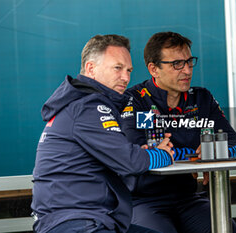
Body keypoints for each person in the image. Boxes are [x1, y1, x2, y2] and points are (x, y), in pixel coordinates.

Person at [31, 34, 175, 233]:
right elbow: (130, 161)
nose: (126, 77)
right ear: (91, 69)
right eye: (117, 68)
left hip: (82, 218)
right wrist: (163, 155)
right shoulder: (89, 106)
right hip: (76, 223)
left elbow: (121, 155)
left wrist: (139, 153)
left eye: (129, 70)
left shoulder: (78, 103)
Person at [120, 31, 236, 233]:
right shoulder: (135, 100)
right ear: (154, 69)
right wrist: (196, 157)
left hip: (188, 197)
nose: (187, 70)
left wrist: (214, 153)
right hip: (144, 200)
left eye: (189, 61)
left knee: (224, 228)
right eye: (177, 64)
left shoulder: (201, 98)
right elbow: (138, 151)